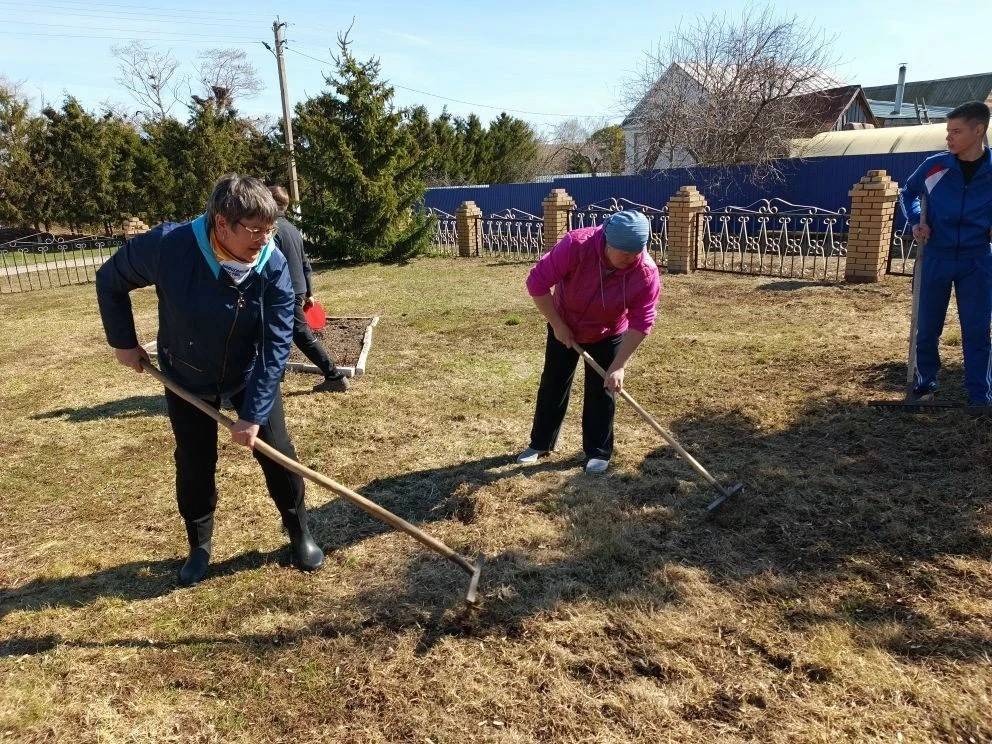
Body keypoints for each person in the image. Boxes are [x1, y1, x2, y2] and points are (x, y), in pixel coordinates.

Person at [96, 174, 325, 587]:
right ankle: (198, 545)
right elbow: (109, 280)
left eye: (269, 228)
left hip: (249, 372)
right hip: (187, 374)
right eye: (254, 229)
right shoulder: (170, 246)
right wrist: (123, 342)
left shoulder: (270, 263)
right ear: (222, 224)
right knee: (194, 460)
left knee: (278, 452)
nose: (264, 238)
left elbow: (277, 341)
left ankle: (299, 530)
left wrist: (253, 413)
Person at [517, 210, 661, 474]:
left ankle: (598, 451)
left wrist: (619, 365)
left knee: (603, 390)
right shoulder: (576, 245)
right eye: (623, 253)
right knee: (553, 383)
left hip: (608, 332)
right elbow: (536, 282)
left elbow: (643, 321)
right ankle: (540, 443)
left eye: (635, 253)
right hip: (565, 324)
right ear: (607, 241)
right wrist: (558, 325)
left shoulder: (645, 273)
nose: (630, 259)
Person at [899, 101, 992, 405]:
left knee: (977, 331)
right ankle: (926, 384)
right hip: (936, 255)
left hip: (977, 260)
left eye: (956, 131)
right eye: (947, 131)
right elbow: (908, 193)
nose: (949, 137)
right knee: (927, 327)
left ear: (978, 131)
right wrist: (916, 221)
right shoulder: (934, 166)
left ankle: (980, 395)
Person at [269, 185, 349, 393]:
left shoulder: (271, 229)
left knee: (299, 334)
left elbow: (272, 265)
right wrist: (310, 293)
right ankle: (277, 379)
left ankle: (335, 376)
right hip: (298, 289)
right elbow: (305, 262)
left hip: (283, 291)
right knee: (281, 333)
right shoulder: (293, 229)